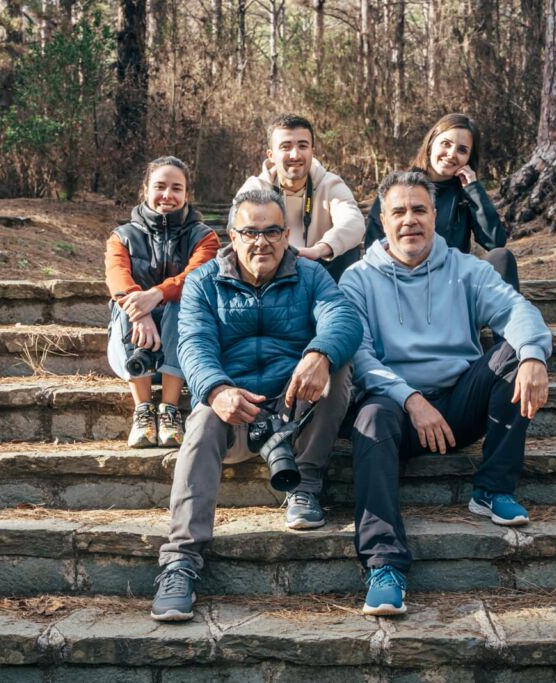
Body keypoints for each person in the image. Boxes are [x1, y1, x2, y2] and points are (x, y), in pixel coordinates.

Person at [340, 171, 552, 616]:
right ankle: (384, 565)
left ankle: (492, 489)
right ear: (383, 218)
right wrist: (411, 400)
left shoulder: (466, 268)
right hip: (396, 411)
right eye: (398, 211)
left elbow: (516, 309)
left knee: (517, 351)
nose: (409, 221)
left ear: (435, 215)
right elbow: (358, 357)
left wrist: (534, 356)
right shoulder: (357, 279)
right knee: (370, 418)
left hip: (459, 404)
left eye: (419, 210)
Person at [151, 189, 362, 622]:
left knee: (337, 367)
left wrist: (320, 354)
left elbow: (343, 317)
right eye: (250, 232)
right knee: (204, 418)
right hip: (236, 413)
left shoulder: (311, 275)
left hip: (293, 410)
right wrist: (215, 389)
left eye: (271, 232)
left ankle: (305, 486)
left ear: (286, 235)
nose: (260, 242)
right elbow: (192, 344)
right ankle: (180, 563)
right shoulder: (204, 280)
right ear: (232, 234)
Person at [105, 157, 220, 448]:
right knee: (123, 308)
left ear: (186, 195)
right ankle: (143, 410)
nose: (167, 195)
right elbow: (117, 278)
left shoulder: (204, 237)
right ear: (145, 189)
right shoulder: (122, 236)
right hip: (132, 345)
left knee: (185, 303)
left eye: (176, 188)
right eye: (159, 186)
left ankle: (169, 410)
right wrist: (140, 311)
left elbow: (197, 276)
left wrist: (155, 295)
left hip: (181, 348)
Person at [363, 113, 520, 291]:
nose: (452, 154)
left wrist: (474, 191)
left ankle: (507, 317)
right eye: (446, 144)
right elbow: (373, 246)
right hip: (404, 282)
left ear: (469, 158)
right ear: (431, 144)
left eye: (462, 150)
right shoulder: (398, 188)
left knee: (502, 257)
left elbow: (494, 242)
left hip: (452, 284)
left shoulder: (465, 194)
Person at [237, 113, 365, 282]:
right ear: (271, 155)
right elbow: (238, 234)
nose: (295, 155)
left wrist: (319, 249)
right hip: (271, 272)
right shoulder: (256, 188)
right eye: (285, 147)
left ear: (312, 151)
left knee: (349, 246)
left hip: (320, 271)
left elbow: (354, 222)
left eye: (303, 146)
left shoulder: (330, 184)